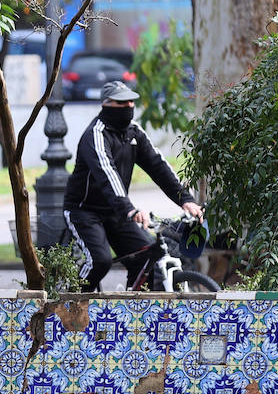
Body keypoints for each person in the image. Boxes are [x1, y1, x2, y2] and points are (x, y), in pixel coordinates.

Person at [63, 80, 203, 291]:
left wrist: (186, 200)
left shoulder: (134, 133)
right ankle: (70, 304)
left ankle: (130, 310)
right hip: (84, 212)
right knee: (100, 261)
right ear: (106, 104)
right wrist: (129, 209)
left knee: (147, 255)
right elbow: (107, 174)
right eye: (121, 103)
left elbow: (158, 166)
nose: (128, 106)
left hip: (117, 212)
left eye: (131, 101)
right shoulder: (95, 135)